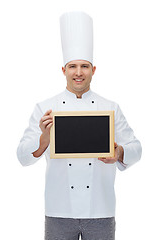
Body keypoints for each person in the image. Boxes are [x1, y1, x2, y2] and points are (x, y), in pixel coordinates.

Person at [17, 11, 142, 240]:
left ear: (93, 70)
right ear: (63, 70)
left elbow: (136, 148)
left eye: (84, 66)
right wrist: (43, 141)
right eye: (72, 66)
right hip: (58, 209)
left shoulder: (110, 108)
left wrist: (119, 151)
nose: (78, 72)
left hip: (101, 210)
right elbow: (22, 157)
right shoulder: (45, 107)